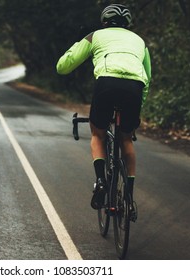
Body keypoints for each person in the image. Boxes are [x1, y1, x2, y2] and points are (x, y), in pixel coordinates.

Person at [56, 4, 151, 211]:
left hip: (106, 84)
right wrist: (138, 106)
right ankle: (128, 195)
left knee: (98, 134)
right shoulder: (140, 41)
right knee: (126, 138)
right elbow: (148, 77)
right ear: (127, 24)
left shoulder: (95, 36)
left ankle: (101, 181)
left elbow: (62, 67)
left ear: (104, 21)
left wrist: (79, 42)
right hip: (134, 88)